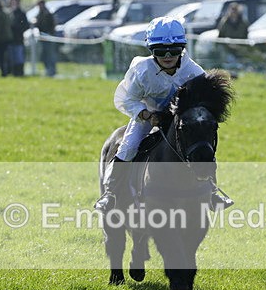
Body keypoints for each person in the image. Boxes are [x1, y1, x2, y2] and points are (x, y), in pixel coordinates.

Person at [94, 16, 233, 213]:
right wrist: (146, 115)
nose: (168, 56)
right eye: (160, 51)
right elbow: (126, 99)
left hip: (180, 118)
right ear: (151, 50)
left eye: (174, 51)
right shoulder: (141, 71)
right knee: (128, 146)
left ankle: (212, 192)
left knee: (202, 145)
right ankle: (111, 194)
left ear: (182, 49)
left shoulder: (194, 72)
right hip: (148, 115)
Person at [7, 0, 29, 77]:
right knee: (12, 57)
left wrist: (16, 28)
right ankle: (14, 72)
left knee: (18, 57)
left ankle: (20, 72)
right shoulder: (10, 12)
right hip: (10, 38)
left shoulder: (21, 13)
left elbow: (25, 26)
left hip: (18, 39)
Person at [34, 0, 57, 77]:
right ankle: (48, 70)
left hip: (48, 37)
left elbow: (50, 26)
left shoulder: (47, 13)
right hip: (43, 37)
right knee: (45, 54)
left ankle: (51, 71)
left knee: (49, 54)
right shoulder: (40, 13)